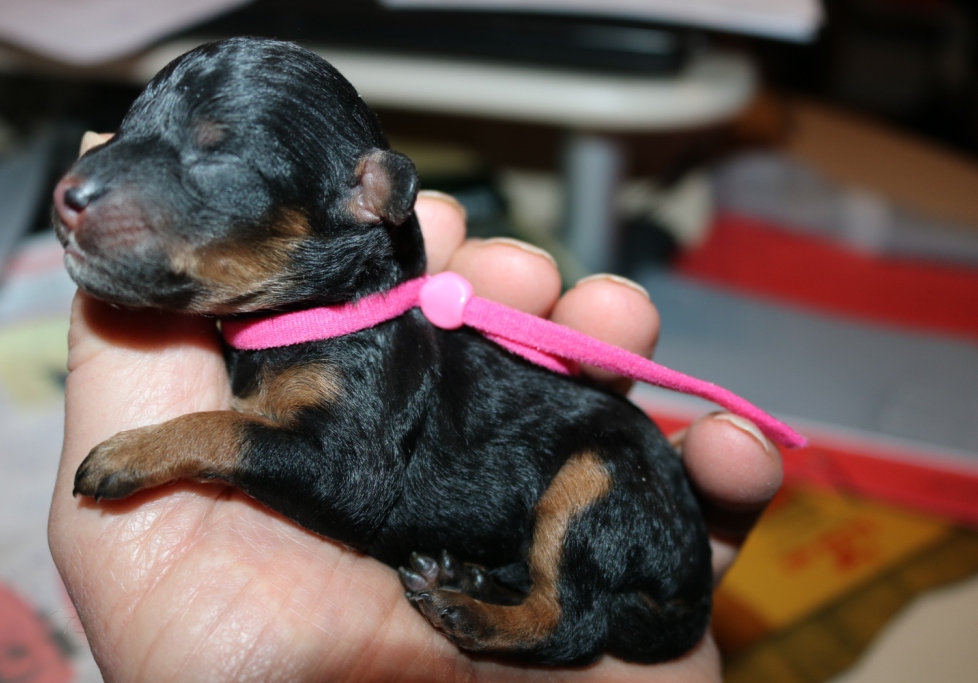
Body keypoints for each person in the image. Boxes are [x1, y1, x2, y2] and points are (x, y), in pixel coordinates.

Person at [48, 134, 782, 682]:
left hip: (608, 473)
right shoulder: (290, 336)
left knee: (603, 468)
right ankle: (516, 596)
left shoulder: (358, 354)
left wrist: (181, 444)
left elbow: (326, 467)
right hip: (495, 533)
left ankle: (543, 619)